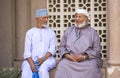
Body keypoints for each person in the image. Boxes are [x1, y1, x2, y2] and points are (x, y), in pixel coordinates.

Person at [54, 8, 103, 78]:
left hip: (87, 60)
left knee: (92, 67)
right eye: (76, 16)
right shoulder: (69, 30)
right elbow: (62, 47)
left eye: (80, 17)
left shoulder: (93, 33)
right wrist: (68, 56)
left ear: (86, 18)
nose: (77, 19)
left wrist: (83, 57)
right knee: (62, 65)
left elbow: (97, 50)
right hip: (70, 60)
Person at [21, 8, 56, 78]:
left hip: (47, 59)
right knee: (26, 71)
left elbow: (52, 50)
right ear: (37, 19)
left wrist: (42, 59)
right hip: (31, 60)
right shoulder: (30, 33)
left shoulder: (51, 32)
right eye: (44, 18)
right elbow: (27, 51)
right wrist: (32, 65)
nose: (46, 20)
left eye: (47, 18)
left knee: (43, 71)